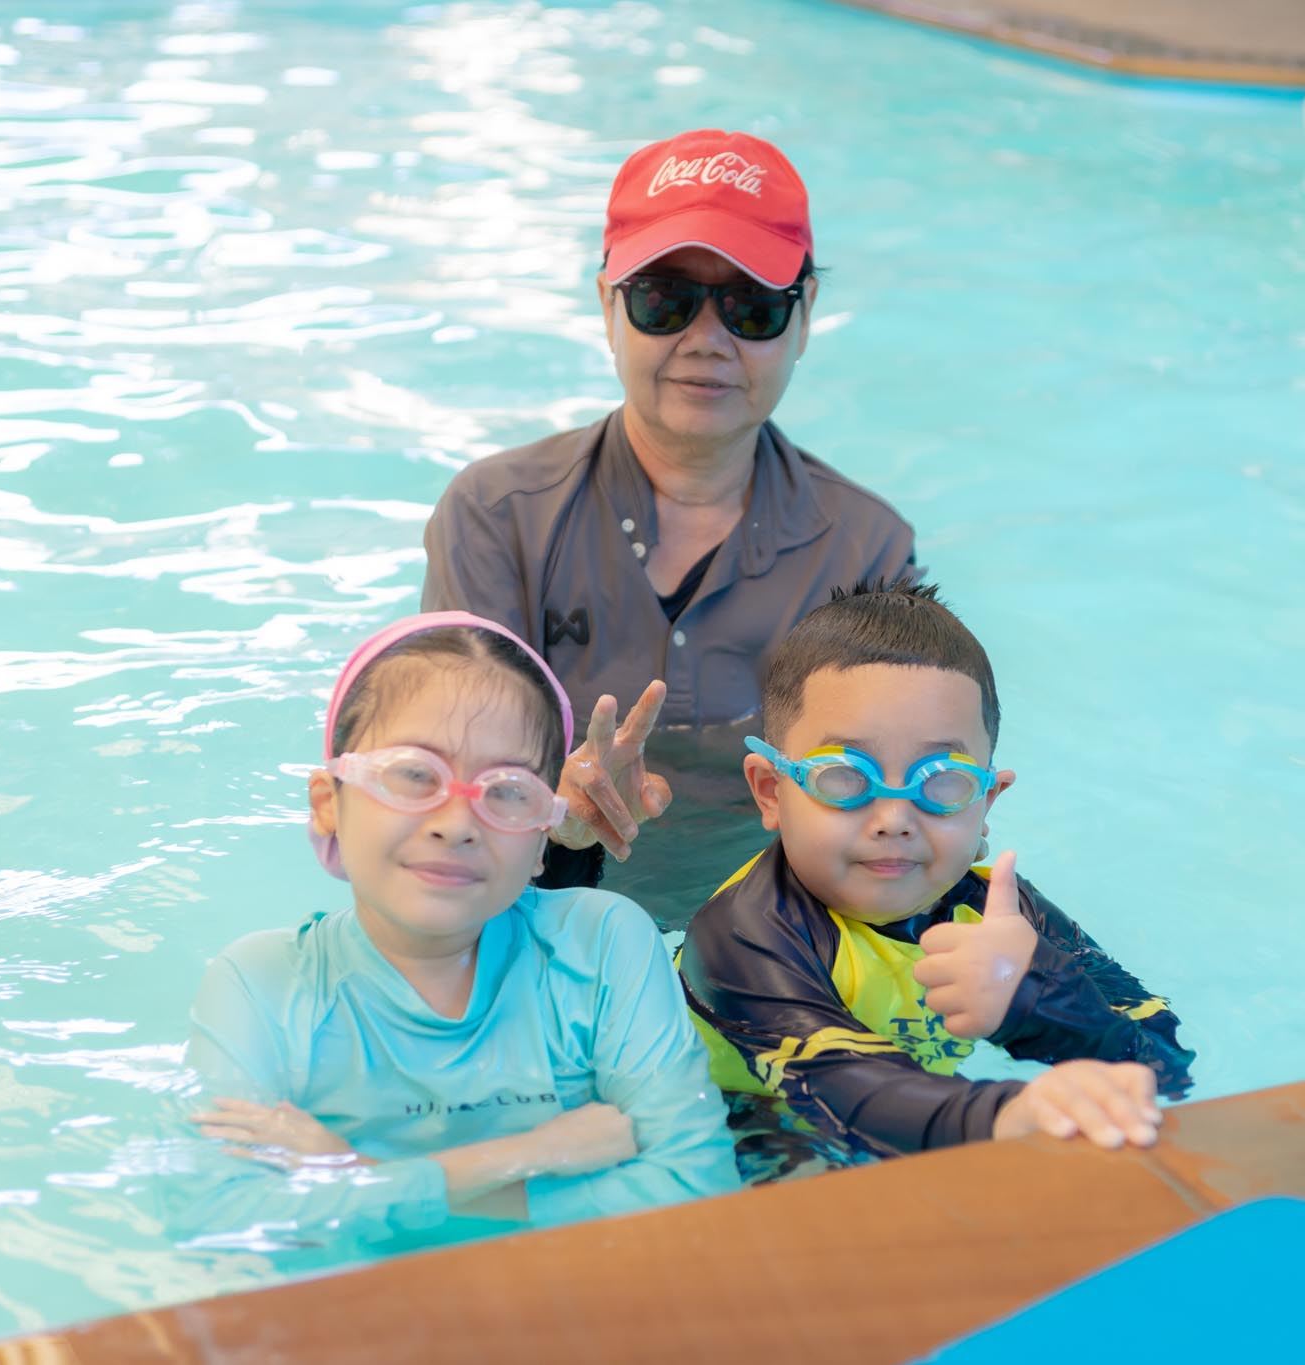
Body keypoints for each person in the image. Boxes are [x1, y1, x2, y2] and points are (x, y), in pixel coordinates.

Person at [420, 129, 915, 896]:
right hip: (544, 905)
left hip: (772, 925)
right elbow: (447, 799)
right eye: (665, 300)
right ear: (607, 306)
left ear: (805, 315)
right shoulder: (497, 520)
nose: (707, 340)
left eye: (752, 308)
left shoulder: (865, 552)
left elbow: (896, 809)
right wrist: (555, 809)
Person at [173, 612, 739, 1245]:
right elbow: (218, 1220)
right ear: (329, 803)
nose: (457, 823)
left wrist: (352, 1176)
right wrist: (525, 1154)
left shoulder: (602, 944)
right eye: (414, 775)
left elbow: (698, 1188)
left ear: (541, 838)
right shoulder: (262, 986)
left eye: (508, 790)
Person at [677, 582, 1195, 1160]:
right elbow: (842, 1091)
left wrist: (1037, 1001)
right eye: (843, 777)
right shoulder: (740, 934)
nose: (894, 820)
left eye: (943, 782)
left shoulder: (1002, 913)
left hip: (932, 1112)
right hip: (742, 1128)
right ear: (772, 792)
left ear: (985, 803)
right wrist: (1010, 1113)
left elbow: (1164, 1066)